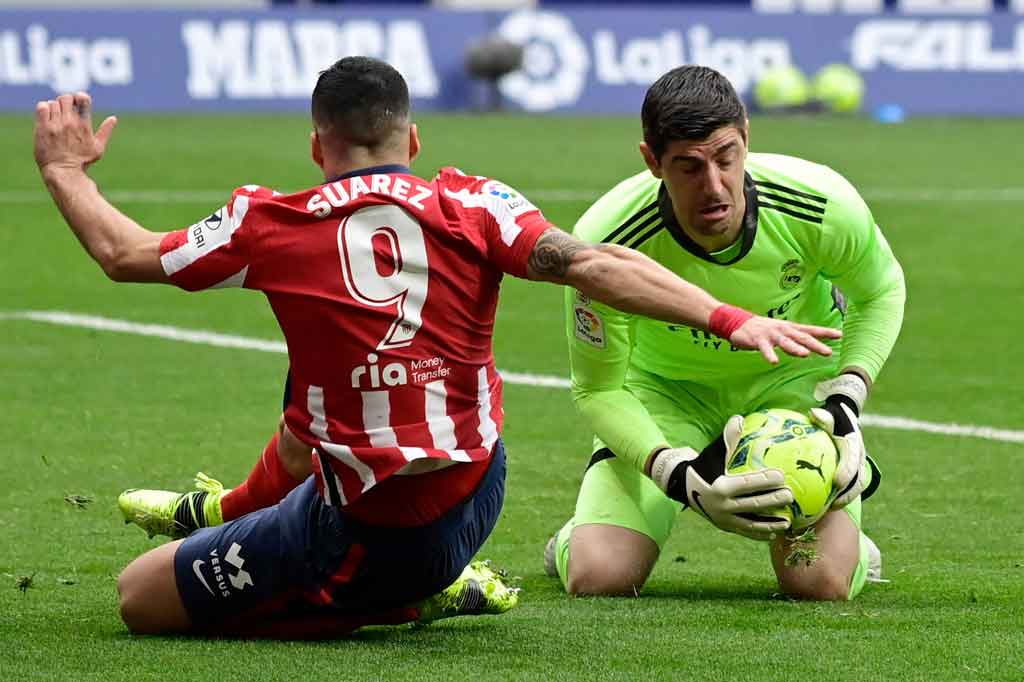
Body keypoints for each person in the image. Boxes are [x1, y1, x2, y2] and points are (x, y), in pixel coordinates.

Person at [33, 57, 841, 638]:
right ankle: (226, 511)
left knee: (137, 597)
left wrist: (65, 168)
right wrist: (734, 318)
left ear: (318, 147)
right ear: (412, 138)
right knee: (310, 400)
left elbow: (124, 254)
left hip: (383, 535)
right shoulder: (476, 201)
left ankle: (403, 601)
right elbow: (593, 266)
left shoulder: (271, 222)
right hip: (480, 487)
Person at [544, 65, 905, 601]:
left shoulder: (821, 203)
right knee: (599, 578)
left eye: (725, 157)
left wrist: (847, 397)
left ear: (746, 137)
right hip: (665, 395)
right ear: (651, 161)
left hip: (791, 392)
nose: (713, 187)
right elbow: (598, 389)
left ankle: (848, 545)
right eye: (688, 166)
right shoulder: (607, 241)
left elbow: (880, 292)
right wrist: (676, 474)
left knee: (820, 582)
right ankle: (578, 537)